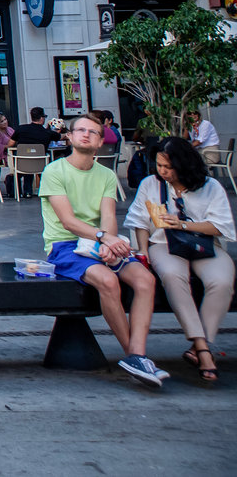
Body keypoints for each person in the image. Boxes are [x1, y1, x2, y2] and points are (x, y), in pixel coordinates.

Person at [39, 112, 166, 388]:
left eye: (92, 132)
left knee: (145, 280)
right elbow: (68, 221)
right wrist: (103, 239)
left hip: (99, 241)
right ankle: (134, 355)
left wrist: (107, 241)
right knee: (108, 281)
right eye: (80, 130)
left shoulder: (106, 175)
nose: (86, 134)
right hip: (65, 246)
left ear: (100, 142)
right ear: (69, 137)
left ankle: (138, 353)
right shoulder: (54, 171)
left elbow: (109, 215)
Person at [123, 137, 234, 384]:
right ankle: (202, 348)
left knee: (222, 281)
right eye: (160, 166)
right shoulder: (151, 184)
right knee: (173, 276)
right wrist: (143, 250)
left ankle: (199, 346)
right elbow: (139, 220)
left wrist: (183, 224)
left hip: (203, 243)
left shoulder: (210, 186)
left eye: (168, 167)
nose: (163, 171)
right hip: (163, 244)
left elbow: (221, 226)